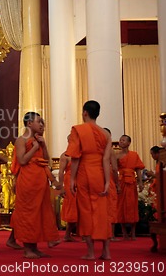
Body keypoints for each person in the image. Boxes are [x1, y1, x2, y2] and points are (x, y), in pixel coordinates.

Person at [66, 100, 112, 260]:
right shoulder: (106, 134)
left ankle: (91, 252)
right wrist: (107, 181)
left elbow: (76, 157)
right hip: (99, 173)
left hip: (84, 172)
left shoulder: (78, 130)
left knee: (86, 211)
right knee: (101, 211)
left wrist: (72, 179)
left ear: (85, 112)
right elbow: (106, 159)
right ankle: (106, 251)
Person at [10, 112, 59, 259]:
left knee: (40, 213)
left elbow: (46, 160)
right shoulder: (21, 140)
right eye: (39, 122)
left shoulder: (38, 140)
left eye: (42, 123)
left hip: (40, 179)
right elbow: (22, 160)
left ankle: (35, 247)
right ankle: (27, 249)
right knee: (28, 213)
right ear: (29, 123)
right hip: (28, 179)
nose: (42, 125)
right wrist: (34, 147)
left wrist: (42, 145)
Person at [116, 135, 144, 241]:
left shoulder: (134, 155)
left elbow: (138, 170)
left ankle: (133, 233)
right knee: (121, 206)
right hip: (121, 182)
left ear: (128, 143)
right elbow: (114, 169)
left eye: (123, 140)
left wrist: (140, 182)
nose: (121, 142)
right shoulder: (116, 155)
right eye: (120, 140)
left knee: (132, 206)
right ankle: (124, 233)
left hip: (131, 182)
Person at [103, 128, 120, 242]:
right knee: (111, 207)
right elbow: (114, 168)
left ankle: (93, 234)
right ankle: (111, 234)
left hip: (96, 177)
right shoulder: (111, 151)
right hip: (108, 178)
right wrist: (117, 183)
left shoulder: (93, 148)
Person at [58, 149, 78, 242]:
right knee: (72, 206)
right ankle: (67, 233)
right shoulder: (65, 155)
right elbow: (61, 172)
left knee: (82, 206)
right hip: (69, 181)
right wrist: (61, 187)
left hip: (80, 180)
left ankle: (82, 233)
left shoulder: (80, 153)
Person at [149, 145, 164, 252]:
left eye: (152, 154)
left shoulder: (162, 163)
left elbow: (160, 176)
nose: (152, 156)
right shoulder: (159, 163)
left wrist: (152, 175)